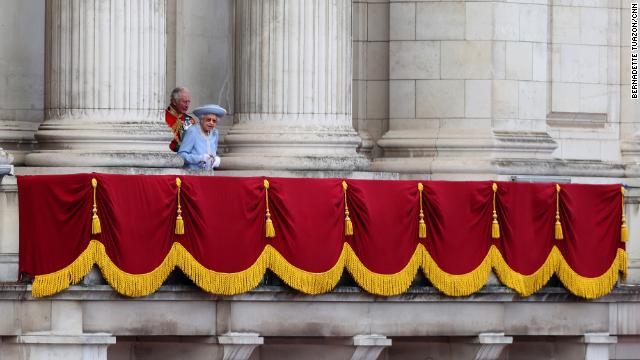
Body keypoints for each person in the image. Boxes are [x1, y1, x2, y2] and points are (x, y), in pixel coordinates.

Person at [178, 104, 226, 170]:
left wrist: (217, 158)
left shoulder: (215, 133)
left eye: (214, 121)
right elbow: (181, 155)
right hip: (193, 174)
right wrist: (200, 158)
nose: (211, 123)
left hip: (209, 174)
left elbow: (212, 153)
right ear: (201, 120)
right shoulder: (193, 131)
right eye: (208, 120)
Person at [165, 86, 197, 152]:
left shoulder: (190, 120)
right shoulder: (162, 118)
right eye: (184, 102)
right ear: (174, 102)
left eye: (188, 102)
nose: (187, 105)